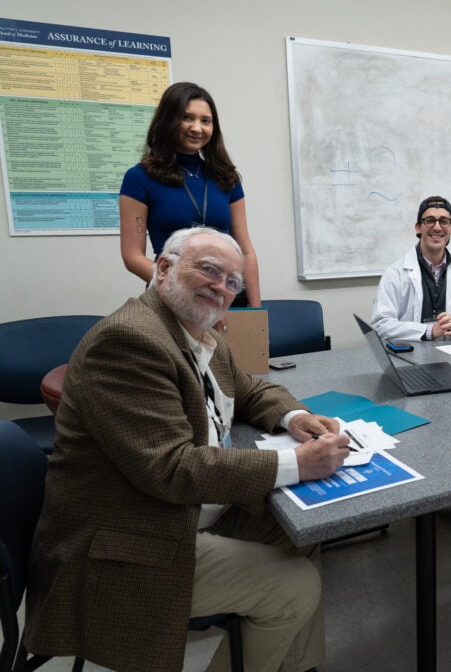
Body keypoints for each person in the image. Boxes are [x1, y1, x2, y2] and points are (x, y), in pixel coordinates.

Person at [25, 227, 350, 672]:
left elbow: (250, 388)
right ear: (163, 268)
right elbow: (172, 468)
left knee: (302, 533)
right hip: (126, 540)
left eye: (233, 282)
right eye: (209, 270)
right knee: (295, 585)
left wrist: (294, 418)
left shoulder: (193, 327)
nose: (221, 287)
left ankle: (290, 666)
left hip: (185, 510)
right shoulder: (129, 340)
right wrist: (297, 463)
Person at [120, 82, 261, 307]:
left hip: (226, 295)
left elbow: (245, 251)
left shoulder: (226, 177)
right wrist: (179, 285)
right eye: (187, 118)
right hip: (171, 295)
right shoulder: (139, 178)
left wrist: (256, 312)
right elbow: (132, 256)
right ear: (168, 120)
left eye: (205, 121)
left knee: (232, 344)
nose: (197, 128)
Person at [370, 195, 451, 341]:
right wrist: (429, 331)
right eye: (430, 221)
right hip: (412, 356)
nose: (437, 227)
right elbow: (381, 324)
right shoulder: (395, 273)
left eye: (444, 221)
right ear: (418, 227)